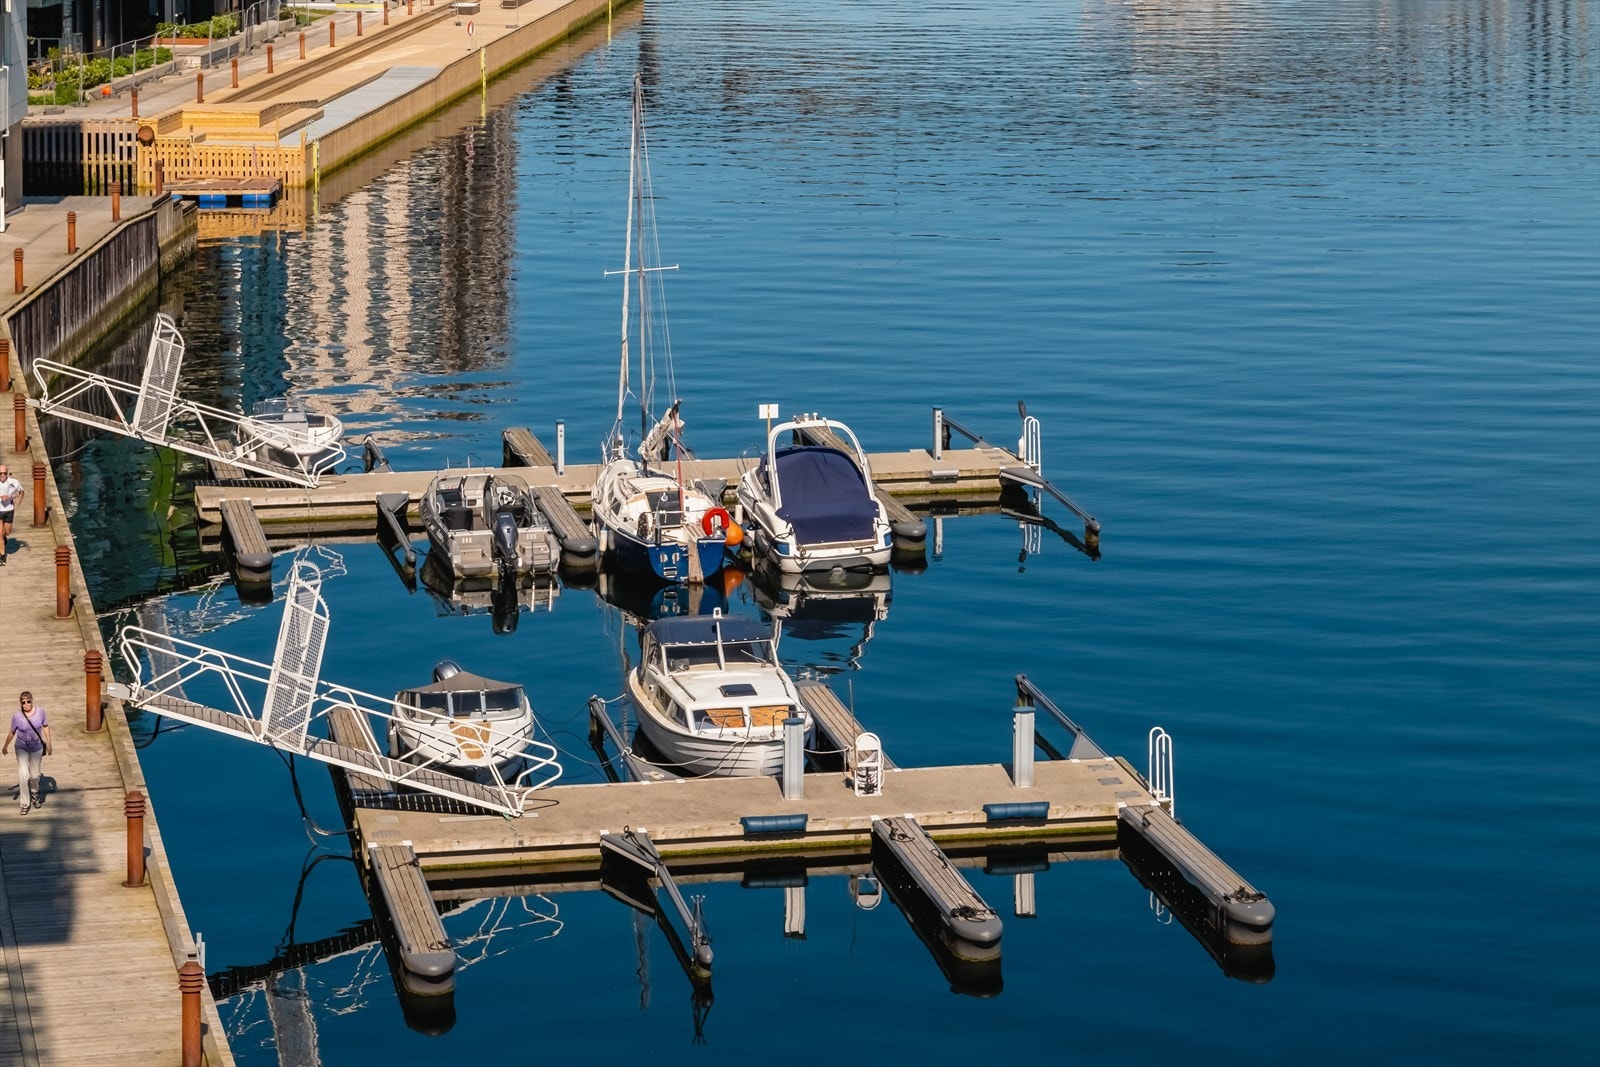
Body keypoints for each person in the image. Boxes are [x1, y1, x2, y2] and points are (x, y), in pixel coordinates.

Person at [2, 692, 51, 814]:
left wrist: (49, 743)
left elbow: (45, 726)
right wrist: (5, 745)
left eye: (28, 701)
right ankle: (25, 804)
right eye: (23, 702)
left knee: (35, 775)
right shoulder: (17, 717)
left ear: (32, 701)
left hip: (37, 747)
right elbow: (12, 732)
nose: (26, 704)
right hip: (21, 748)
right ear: (21, 703)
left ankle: (34, 793)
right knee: (23, 775)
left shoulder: (40, 712)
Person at [0, 465, 22, 565]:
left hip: (9, 510)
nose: (2, 475)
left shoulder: (13, 482)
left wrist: (11, 497)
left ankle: (4, 536)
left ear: (7, 473)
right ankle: (2, 557)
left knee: (7, 532)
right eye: (0, 473)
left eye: (4, 473)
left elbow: (20, 492)